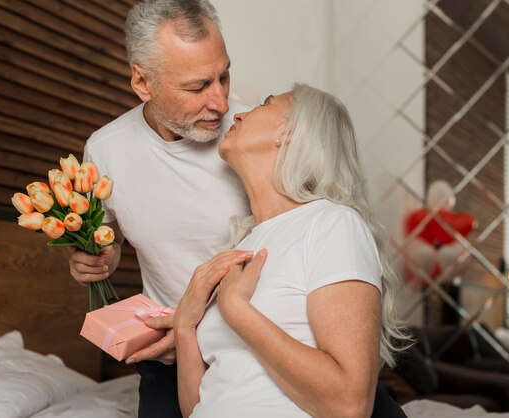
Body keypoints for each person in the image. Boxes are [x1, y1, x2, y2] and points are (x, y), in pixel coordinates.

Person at [167, 84, 409, 417]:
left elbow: (350, 405)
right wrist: (184, 326)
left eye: (264, 104)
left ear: (290, 132)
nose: (237, 114)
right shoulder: (242, 245)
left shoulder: (332, 223)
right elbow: (201, 406)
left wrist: (237, 310)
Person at [67, 1, 251, 417]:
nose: (221, 102)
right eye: (198, 86)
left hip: (261, 341)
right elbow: (106, 239)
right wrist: (97, 259)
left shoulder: (254, 129)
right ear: (142, 82)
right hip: (167, 355)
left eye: (223, 76)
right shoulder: (105, 149)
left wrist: (202, 331)